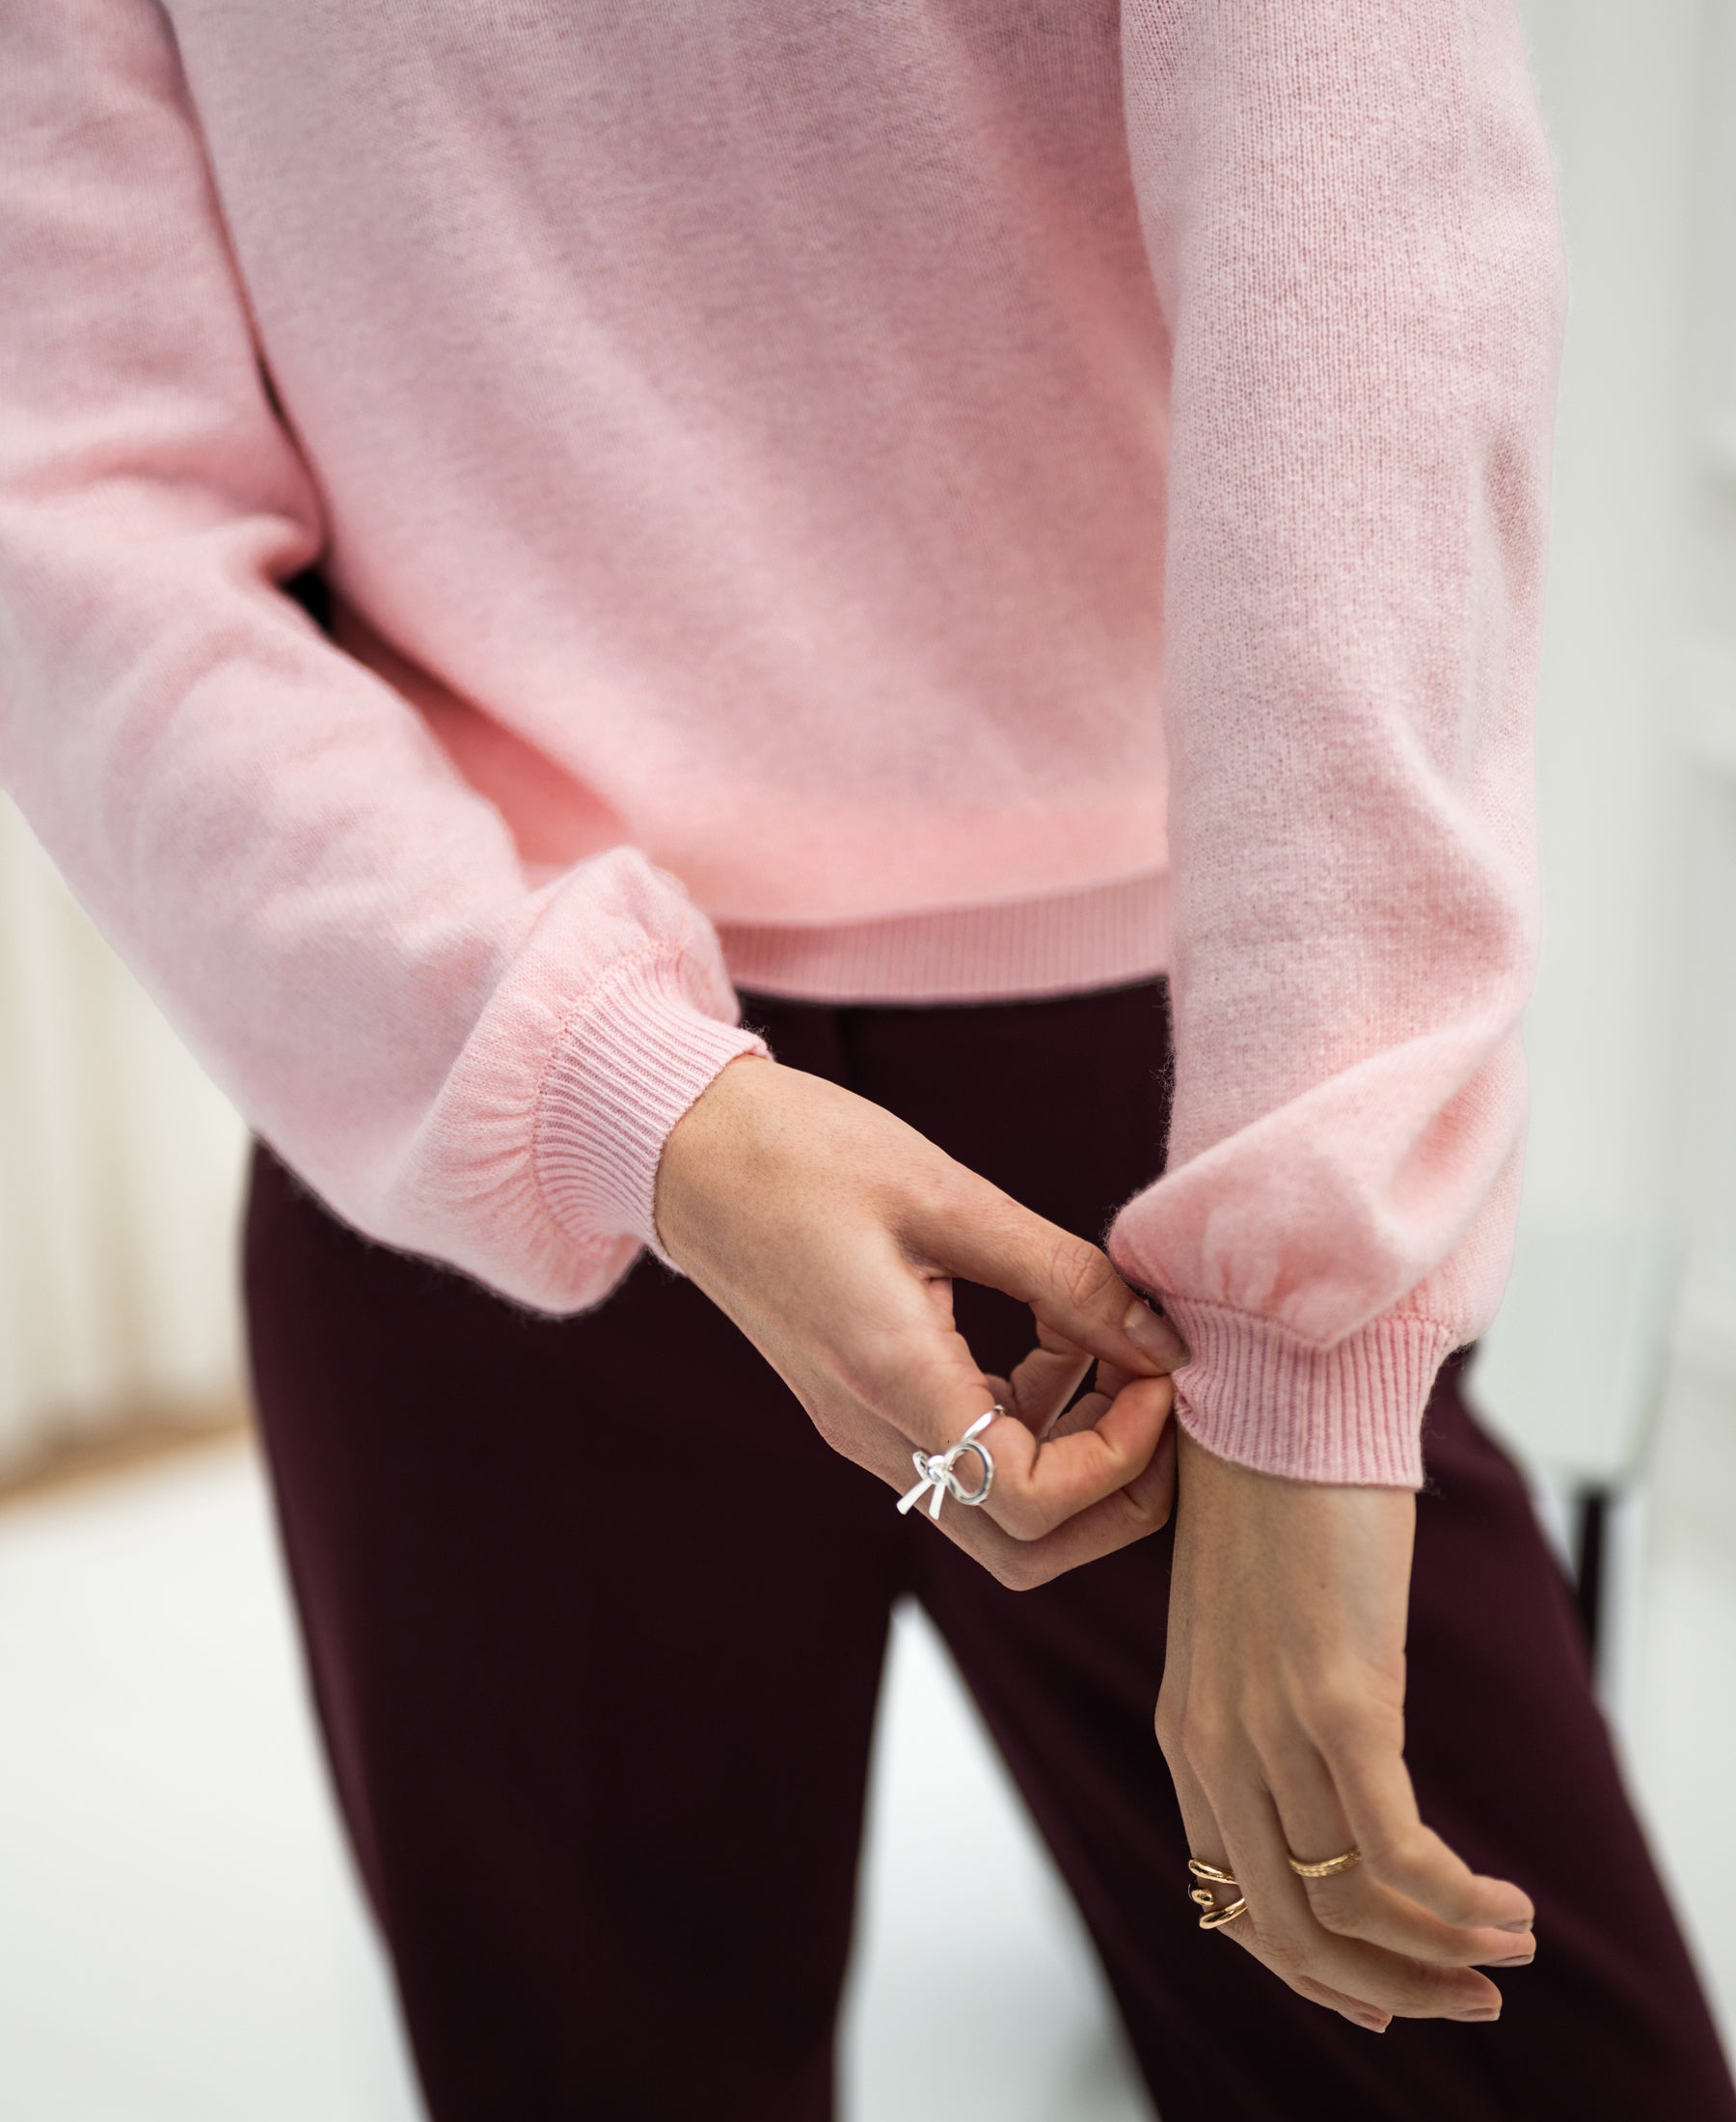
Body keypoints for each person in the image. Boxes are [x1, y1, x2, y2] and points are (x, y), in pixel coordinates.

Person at [3, 1, 1732, 2116]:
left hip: (1168, 1110)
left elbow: (1364, 250)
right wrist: (626, 1094)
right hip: (495, 1124)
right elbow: (70, 485)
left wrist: (1314, 1319)